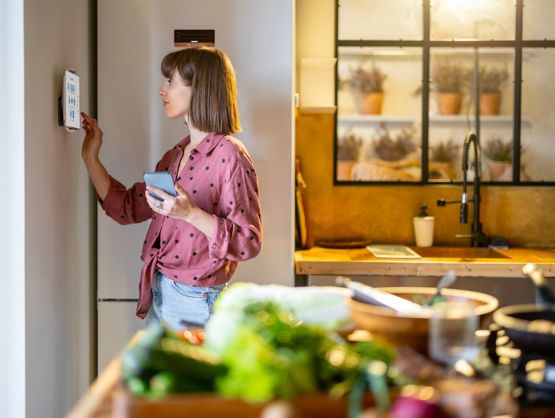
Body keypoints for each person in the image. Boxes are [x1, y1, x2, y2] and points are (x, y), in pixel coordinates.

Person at [81, 47, 262, 330]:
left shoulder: (230, 154)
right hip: (159, 289)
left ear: (199, 88)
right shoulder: (175, 155)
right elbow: (127, 208)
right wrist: (90, 157)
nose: (162, 90)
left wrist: (190, 214)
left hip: (197, 300)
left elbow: (248, 242)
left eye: (171, 82)